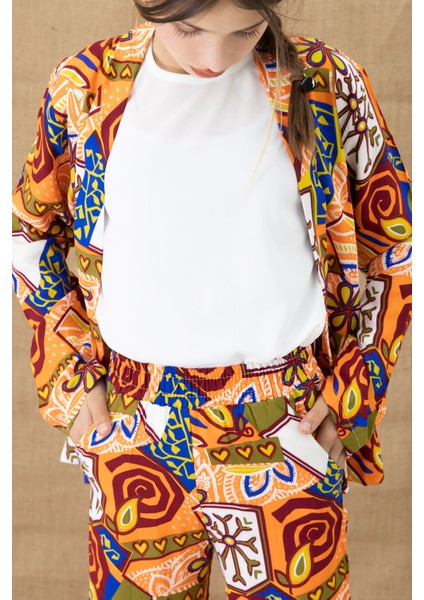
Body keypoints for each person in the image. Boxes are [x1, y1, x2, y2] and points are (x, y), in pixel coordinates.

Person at [12, 0, 412, 598]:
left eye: (244, 32)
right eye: (189, 29)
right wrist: (74, 378)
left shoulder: (327, 83)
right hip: (132, 425)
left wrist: (352, 393)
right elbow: (32, 233)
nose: (214, 57)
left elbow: (393, 248)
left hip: (285, 421)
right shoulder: (84, 86)